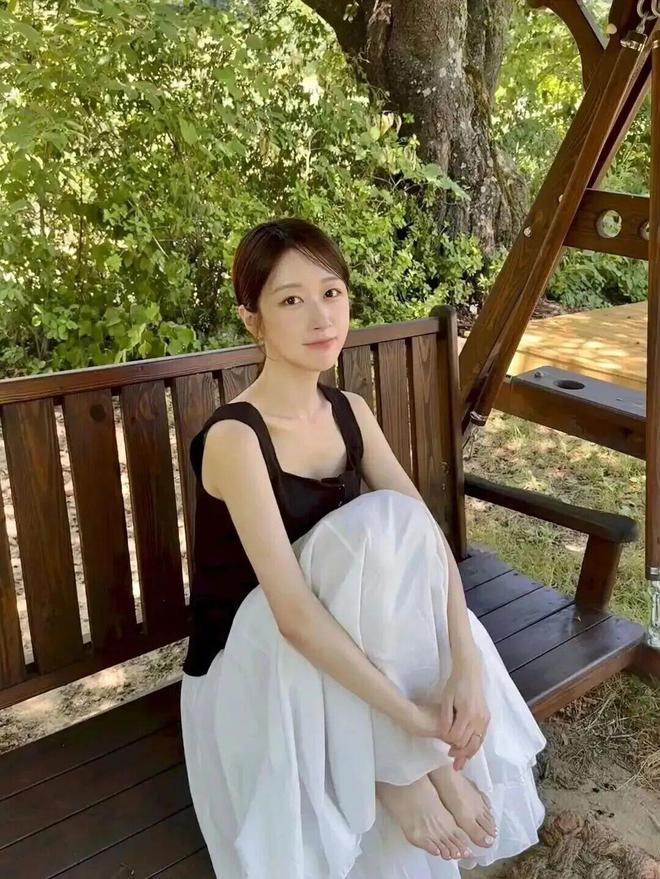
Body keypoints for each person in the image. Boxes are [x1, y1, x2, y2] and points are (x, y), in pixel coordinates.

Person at [180, 217, 547, 878]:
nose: (320, 316)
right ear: (252, 319)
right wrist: (415, 730)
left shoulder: (350, 410)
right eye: (290, 300)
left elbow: (426, 540)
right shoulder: (235, 438)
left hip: (337, 655)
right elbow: (293, 614)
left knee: (399, 526)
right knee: (377, 526)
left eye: (331, 292)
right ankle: (402, 773)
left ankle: (403, 767)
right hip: (257, 670)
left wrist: (465, 659)